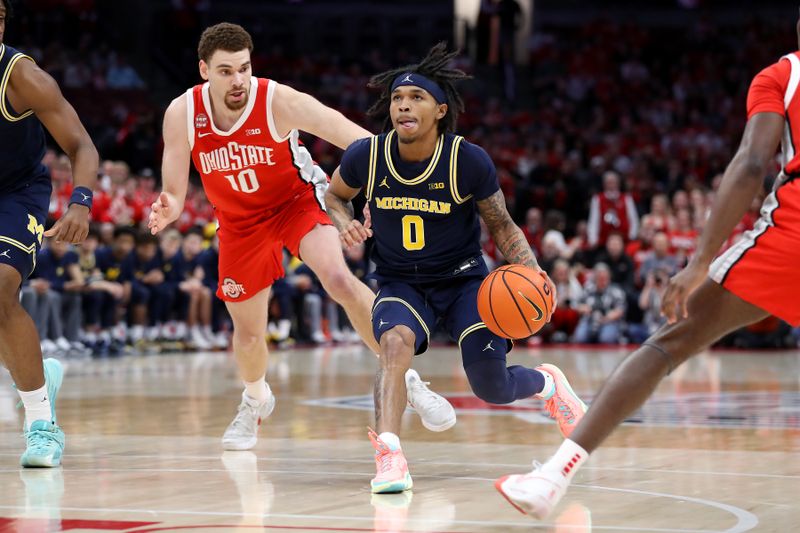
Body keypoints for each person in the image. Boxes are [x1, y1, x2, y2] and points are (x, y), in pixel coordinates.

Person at [495, 18, 800, 519]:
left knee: (665, 345)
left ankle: (553, 478)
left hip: (790, 242)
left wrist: (700, 261)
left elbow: (750, 165)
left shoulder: (784, 73)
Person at [147, 23, 454, 451]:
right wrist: (168, 208)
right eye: (225, 71)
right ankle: (255, 400)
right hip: (238, 223)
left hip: (296, 202)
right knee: (249, 335)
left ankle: (408, 379)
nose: (238, 81)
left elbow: (355, 138)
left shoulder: (278, 100)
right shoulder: (182, 114)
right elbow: (175, 191)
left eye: (244, 68)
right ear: (204, 70)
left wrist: (397, 180)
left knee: (338, 278)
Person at [325, 43, 587, 494]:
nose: (403, 104)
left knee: (492, 387)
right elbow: (334, 196)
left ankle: (547, 384)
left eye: (416, 98)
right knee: (393, 343)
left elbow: (502, 227)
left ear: (441, 110)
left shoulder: (467, 160)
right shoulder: (365, 156)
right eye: (396, 99)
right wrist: (345, 223)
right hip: (400, 281)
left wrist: (535, 273)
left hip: (465, 282)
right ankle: (390, 457)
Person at [0, 0, 99, 467]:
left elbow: (81, 144)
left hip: (17, 192)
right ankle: (41, 377)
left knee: (0, 286)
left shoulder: (22, 77)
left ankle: (42, 423)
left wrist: (80, 200)